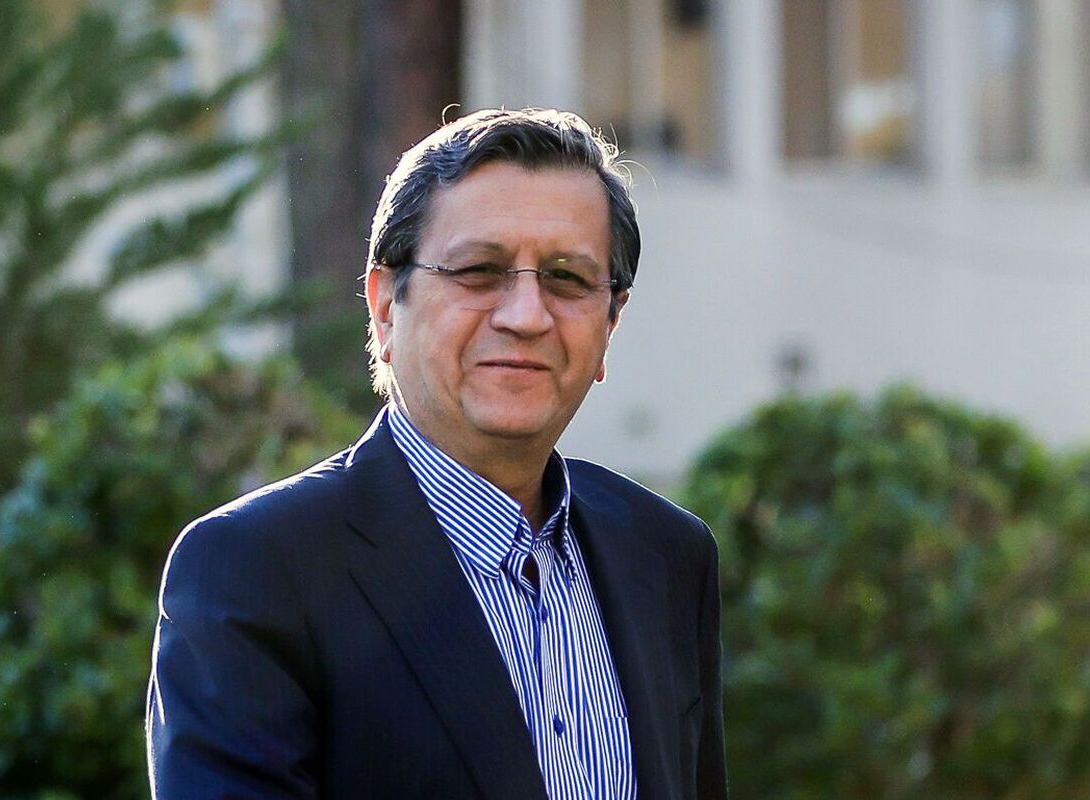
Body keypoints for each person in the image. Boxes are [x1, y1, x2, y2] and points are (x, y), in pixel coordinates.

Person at [146, 108, 727, 799]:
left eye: (567, 278)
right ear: (385, 306)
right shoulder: (255, 569)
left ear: (611, 321)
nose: (526, 316)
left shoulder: (666, 556)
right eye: (479, 270)